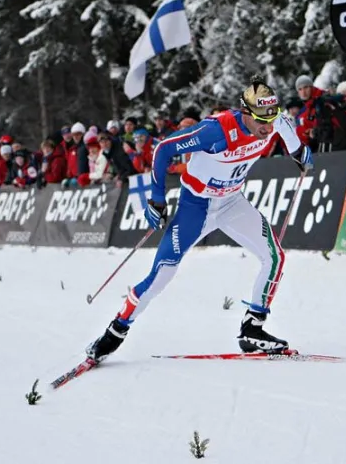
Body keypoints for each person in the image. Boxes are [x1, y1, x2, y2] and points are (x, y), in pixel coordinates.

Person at [85, 77, 314, 362]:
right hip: (197, 206)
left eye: (271, 119)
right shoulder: (216, 130)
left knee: (275, 258)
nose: (267, 128)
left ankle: (252, 329)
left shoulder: (273, 119)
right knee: (162, 274)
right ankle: (115, 331)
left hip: (232, 202)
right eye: (260, 122)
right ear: (245, 113)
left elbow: (288, 134)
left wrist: (299, 152)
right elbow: (164, 149)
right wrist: (157, 198)